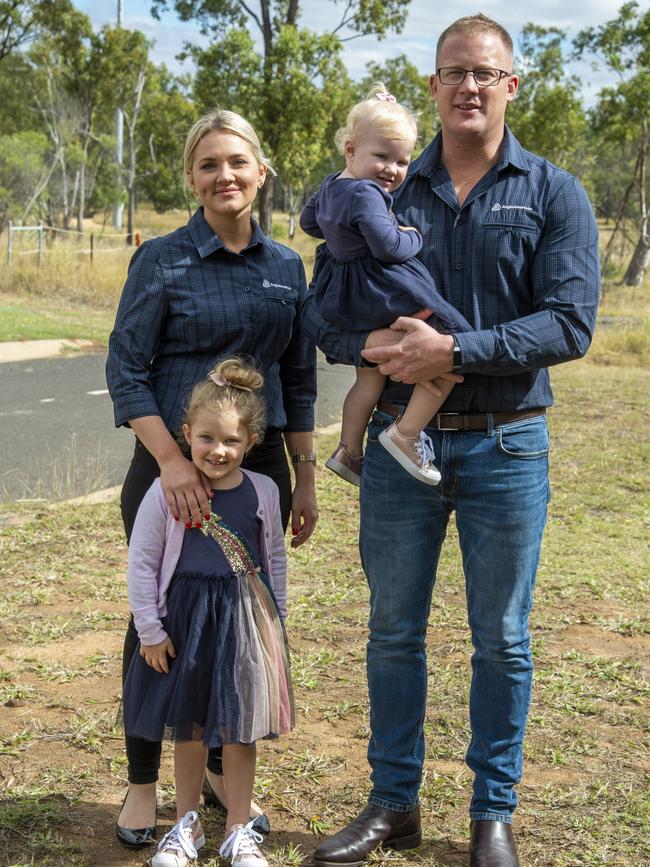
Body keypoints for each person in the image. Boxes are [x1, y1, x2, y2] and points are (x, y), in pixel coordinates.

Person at [304, 14, 600, 867]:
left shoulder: (552, 192)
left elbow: (570, 322)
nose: (468, 85)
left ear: (512, 85)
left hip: (509, 445)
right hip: (403, 449)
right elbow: (327, 305)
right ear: (431, 85)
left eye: (485, 72)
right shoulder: (382, 186)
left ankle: (491, 813)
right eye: (452, 72)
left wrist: (454, 351)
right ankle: (393, 803)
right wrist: (363, 345)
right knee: (394, 629)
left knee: (501, 636)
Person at [106, 109, 317, 849]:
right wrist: (170, 462)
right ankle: (142, 787)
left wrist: (305, 474)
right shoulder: (162, 258)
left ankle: (229, 790)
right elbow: (125, 368)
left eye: (237, 162)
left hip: (254, 471)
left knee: (240, 630)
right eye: (208, 165)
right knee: (158, 623)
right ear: (191, 178)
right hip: (169, 465)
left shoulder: (287, 266)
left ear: (261, 171)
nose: (224, 175)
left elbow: (298, 377)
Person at [123, 358, 290, 867]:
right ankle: (186, 825)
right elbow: (143, 562)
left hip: (242, 623)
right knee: (190, 729)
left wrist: (275, 625)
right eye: (206, 438)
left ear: (252, 441)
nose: (218, 450)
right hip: (185, 625)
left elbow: (274, 559)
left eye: (232, 441)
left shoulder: (263, 491)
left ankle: (238, 830)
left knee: (240, 731)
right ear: (185, 434)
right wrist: (150, 629)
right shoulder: (164, 490)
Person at [300, 83, 471, 487]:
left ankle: (348, 449)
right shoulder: (367, 194)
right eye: (382, 156)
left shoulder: (332, 186)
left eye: (401, 161)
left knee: (369, 377)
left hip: (343, 291)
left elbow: (310, 223)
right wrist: (413, 234)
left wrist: (341, 235)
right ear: (351, 149)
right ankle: (406, 432)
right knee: (451, 345)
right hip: (380, 288)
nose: (391, 171)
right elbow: (389, 246)